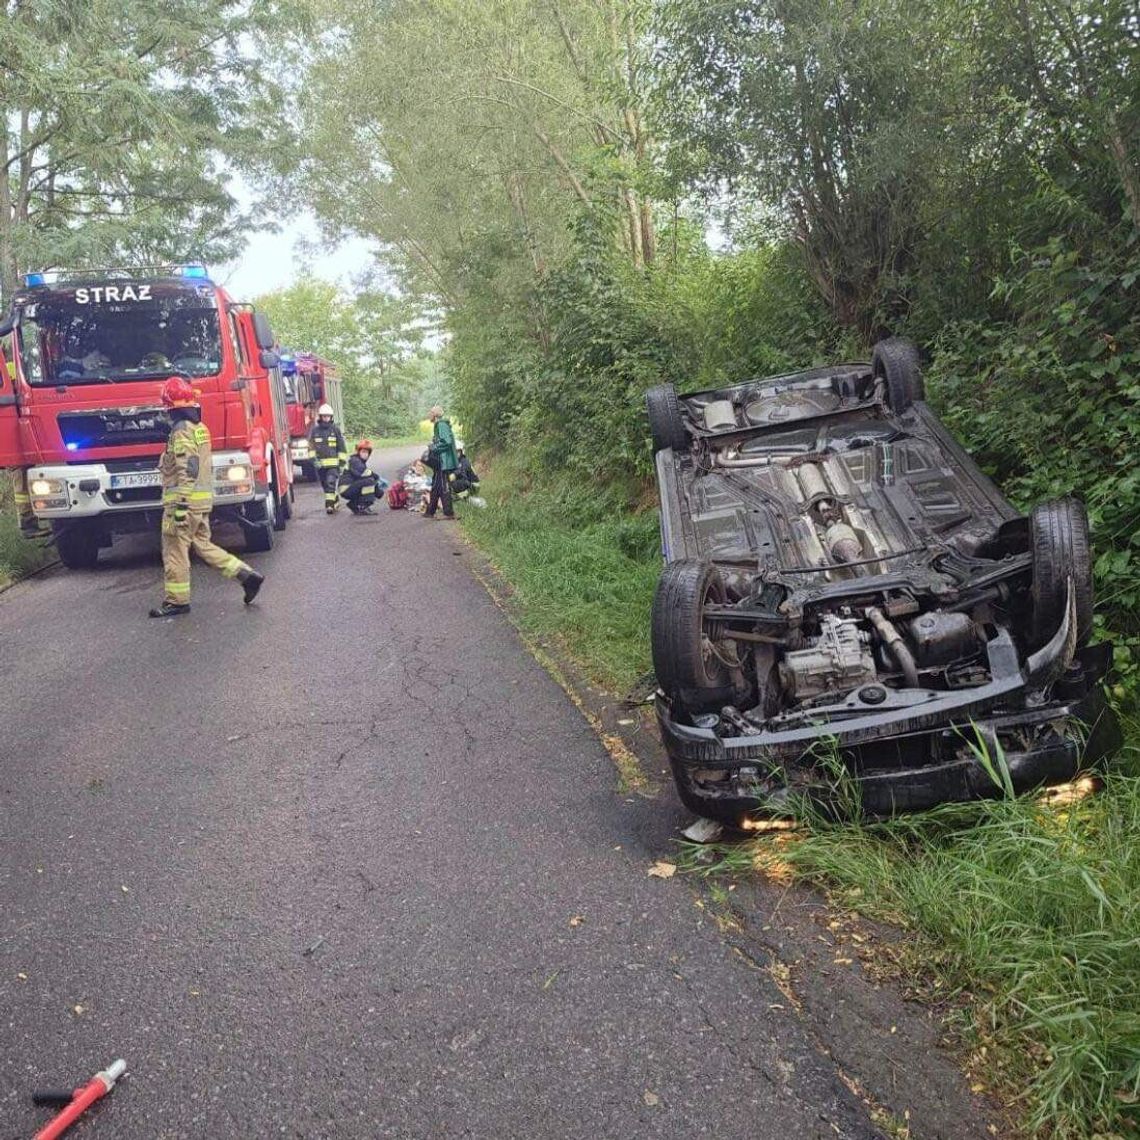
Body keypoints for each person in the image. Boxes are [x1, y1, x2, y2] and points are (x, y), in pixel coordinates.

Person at [149, 376, 263, 618]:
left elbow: (187, 467)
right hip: (200, 503)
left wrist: (180, 504)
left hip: (184, 503)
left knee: (175, 551)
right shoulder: (200, 429)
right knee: (202, 545)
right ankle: (245, 575)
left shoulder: (180, 432)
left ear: (171, 407)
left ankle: (177, 601)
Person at [308, 403, 347, 514]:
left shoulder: (335, 430)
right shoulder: (315, 431)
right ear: (320, 417)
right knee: (326, 486)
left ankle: (329, 506)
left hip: (333, 466)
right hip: (320, 466)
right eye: (324, 416)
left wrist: (341, 464)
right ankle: (335, 500)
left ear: (331, 417)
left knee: (330, 483)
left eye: (328, 416)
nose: (326, 418)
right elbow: (311, 448)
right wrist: (314, 460)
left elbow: (341, 448)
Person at [425, 405, 458, 520]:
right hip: (441, 461)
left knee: (443, 486)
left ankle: (448, 513)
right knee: (436, 485)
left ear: (435, 414)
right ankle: (430, 511)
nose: (428, 414)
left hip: (445, 462)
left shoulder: (441, 425)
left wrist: (434, 447)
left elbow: (447, 442)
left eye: (430, 412)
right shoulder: (439, 425)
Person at [340, 440, 386, 514]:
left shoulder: (359, 461)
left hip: (349, 487)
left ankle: (353, 505)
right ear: (358, 452)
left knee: (370, 482)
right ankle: (363, 506)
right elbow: (364, 473)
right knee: (370, 481)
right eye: (363, 451)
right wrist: (377, 478)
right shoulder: (355, 461)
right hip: (347, 488)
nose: (365, 454)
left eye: (367, 452)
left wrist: (378, 491)